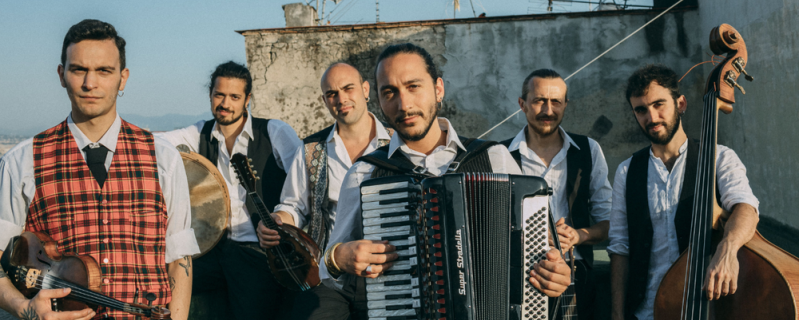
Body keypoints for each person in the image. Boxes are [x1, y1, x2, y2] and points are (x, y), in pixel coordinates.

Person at [292, 43, 572, 320]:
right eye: (390, 92)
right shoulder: (365, 173)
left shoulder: (494, 158)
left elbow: (541, 250)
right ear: (378, 99)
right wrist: (338, 257)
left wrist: (555, 273)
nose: (404, 104)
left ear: (438, 89)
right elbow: (331, 271)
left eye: (413, 86)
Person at [0, 19, 198, 320]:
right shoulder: (21, 160)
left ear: (123, 78)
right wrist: (24, 308)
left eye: (104, 71)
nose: (90, 83)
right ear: (61, 75)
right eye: (79, 69)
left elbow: (178, 257)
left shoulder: (164, 156)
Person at [607, 64, 759, 320]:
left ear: (681, 104)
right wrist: (617, 315)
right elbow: (620, 248)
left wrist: (727, 249)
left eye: (659, 105)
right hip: (647, 312)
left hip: (708, 307)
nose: (651, 117)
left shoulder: (720, 158)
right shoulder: (627, 171)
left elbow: (746, 209)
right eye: (641, 110)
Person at [155, 61, 302, 320]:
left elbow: (304, 186)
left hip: (258, 251)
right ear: (210, 95)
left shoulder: (274, 132)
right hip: (212, 251)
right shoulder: (199, 133)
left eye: (234, 96)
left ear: (247, 100)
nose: (225, 103)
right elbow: (156, 142)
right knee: (161, 284)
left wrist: (284, 218)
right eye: (219, 95)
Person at [501, 68, 612, 320]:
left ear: (565, 104)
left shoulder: (589, 150)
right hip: (517, 278)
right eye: (539, 100)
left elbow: (609, 223)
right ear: (523, 104)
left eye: (556, 102)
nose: (548, 110)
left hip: (577, 277)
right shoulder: (499, 155)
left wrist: (578, 235)